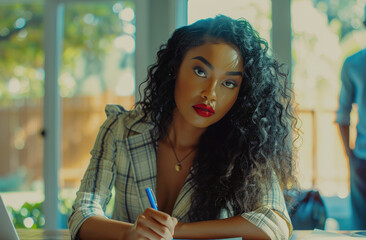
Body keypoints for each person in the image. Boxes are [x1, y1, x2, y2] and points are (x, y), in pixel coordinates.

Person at [68, 15, 299, 240]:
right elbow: (82, 213)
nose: (210, 93)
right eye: (200, 71)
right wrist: (130, 233)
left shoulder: (244, 148)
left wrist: (177, 230)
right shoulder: (120, 129)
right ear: (175, 68)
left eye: (229, 83)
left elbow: (275, 222)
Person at [336, 6, 366, 230]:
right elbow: (343, 115)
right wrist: (351, 156)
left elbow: (343, 114)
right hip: (362, 158)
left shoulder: (354, 63)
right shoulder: (353, 64)